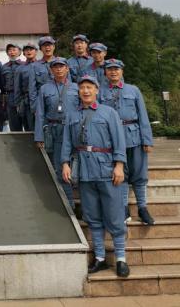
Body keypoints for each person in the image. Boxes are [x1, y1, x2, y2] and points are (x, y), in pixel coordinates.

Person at [61, 74, 129, 278]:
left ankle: (120, 259)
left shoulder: (108, 113)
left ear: (97, 90)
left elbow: (119, 141)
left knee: (114, 214)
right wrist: (65, 163)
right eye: (82, 87)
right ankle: (99, 257)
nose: (86, 91)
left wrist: (119, 165)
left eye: (90, 87)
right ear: (78, 91)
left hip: (107, 169)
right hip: (84, 171)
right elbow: (66, 142)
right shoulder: (72, 115)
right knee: (92, 216)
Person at [99, 59, 155, 225]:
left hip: (134, 137)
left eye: (116, 69)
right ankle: (123, 207)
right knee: (120, 175)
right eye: (110, 70)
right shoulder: (101, 92)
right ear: (105, 73)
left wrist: (147, 139)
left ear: (122, 71)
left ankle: (142, 207)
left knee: (139, 174)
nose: (113, 72)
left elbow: (143, 115)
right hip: (113, 139)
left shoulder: (133, 90)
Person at [34, 57, 79, 208]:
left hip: (73, 130)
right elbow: (40, 113)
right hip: (54, 130)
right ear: (51, 70)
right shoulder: (45, 88)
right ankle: (69, 203)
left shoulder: (76, 88)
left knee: (77, 165)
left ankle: (77, 199)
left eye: (62, 66)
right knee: (61, 166)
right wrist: (39, 135)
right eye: (55, 67)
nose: (59, 69)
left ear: (67, 69)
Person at [28, 35, 57, 115]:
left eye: (50, 45)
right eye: (44, 45)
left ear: (54, 47)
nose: (47, 48)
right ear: (40, 48)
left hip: (59, 101)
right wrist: (34, 108)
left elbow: (68, 84)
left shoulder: (62, 63)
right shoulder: (34, 66)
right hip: (42, 102)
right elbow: (32, 89)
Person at [14, 42, 38, 132]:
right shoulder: (20, 68)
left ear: (36, 51)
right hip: (26, 101)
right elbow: (17, 88)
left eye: (31, 49)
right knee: (29, 127)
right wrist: (18, 104)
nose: (29, 51)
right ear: (23, 53)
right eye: (26, 50)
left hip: (40, 100)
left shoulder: (42, 65)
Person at [0, 43, 24, 131]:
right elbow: (2, 85)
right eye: (9, 50)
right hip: (10, 97)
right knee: (14, 124)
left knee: (27, 123)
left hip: (23, 97)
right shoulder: (4, 67)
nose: (12, 52)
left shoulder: (25, 65)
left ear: (20, 52)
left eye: (14, 50)